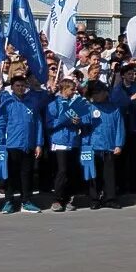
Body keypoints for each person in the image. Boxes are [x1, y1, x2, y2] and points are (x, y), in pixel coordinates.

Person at [0, 75, 44, 214]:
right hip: (12, 145)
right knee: (11, 175)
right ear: (12, 87)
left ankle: (26, 201)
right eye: (18, 85)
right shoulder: (8, 103)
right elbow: (0, 124)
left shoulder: (32, 103)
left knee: (26, 174)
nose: (21, 88)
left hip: (28, 145)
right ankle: (9, 201)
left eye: (23, 86)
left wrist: (39, 144)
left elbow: (38, 124)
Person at [45, 79, 90, 212]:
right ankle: (57, 199)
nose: (74, 92)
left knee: (71, 171)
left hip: (74, 141)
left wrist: (79, 121)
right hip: (60, 141)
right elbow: (49, 124)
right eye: (71, 89)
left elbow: (85, 118)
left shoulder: (75, 103)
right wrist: (65, 120)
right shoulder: (54, 104)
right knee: (62, 171)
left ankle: (68, 198)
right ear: (64, 89)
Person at [82, 81, 124, 209]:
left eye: (98, 93)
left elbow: (119, 127)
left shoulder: (114, 108)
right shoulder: (89, 107)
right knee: (94, 175)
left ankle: (110, 198)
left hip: (109, 146)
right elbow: (84, 127)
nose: (96, 96)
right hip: (93, 147)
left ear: (105, 93)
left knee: (109, 175)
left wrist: (119, 144)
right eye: (93, 93)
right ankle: (94, 199)